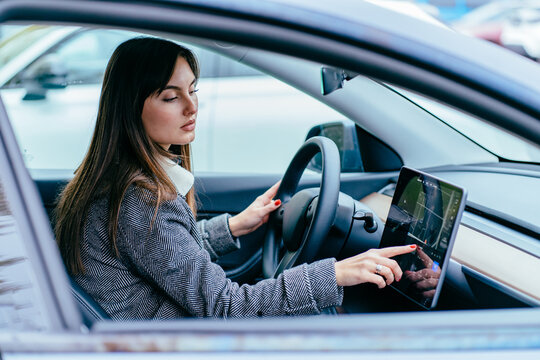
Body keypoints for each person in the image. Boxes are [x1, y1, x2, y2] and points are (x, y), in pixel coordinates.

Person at [55, 37, 415, 320]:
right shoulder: (141, 204)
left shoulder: (116, 181)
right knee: (333, 320)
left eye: (193, 89)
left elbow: (170, 259)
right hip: (172, 344)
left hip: (163, 330)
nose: (192, 106)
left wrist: (236, 226)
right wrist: (333, 275)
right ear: (129, 107)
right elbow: (225, 307)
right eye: (170, 97)